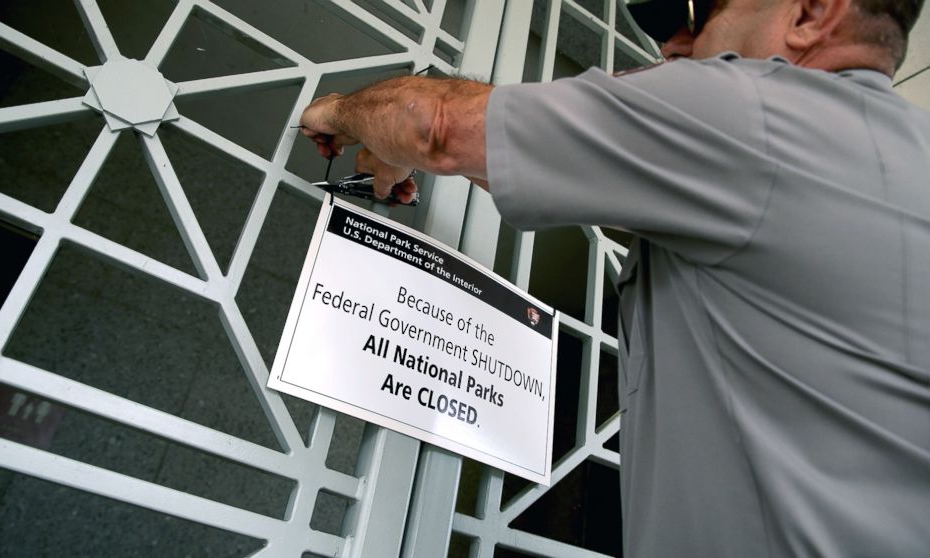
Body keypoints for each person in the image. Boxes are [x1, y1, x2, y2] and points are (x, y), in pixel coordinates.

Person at [299, 0, 930, 555]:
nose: (675, 45)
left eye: (701, 14)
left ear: (810, 14)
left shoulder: (761, 112)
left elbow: (430, 124)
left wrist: (338, 109)